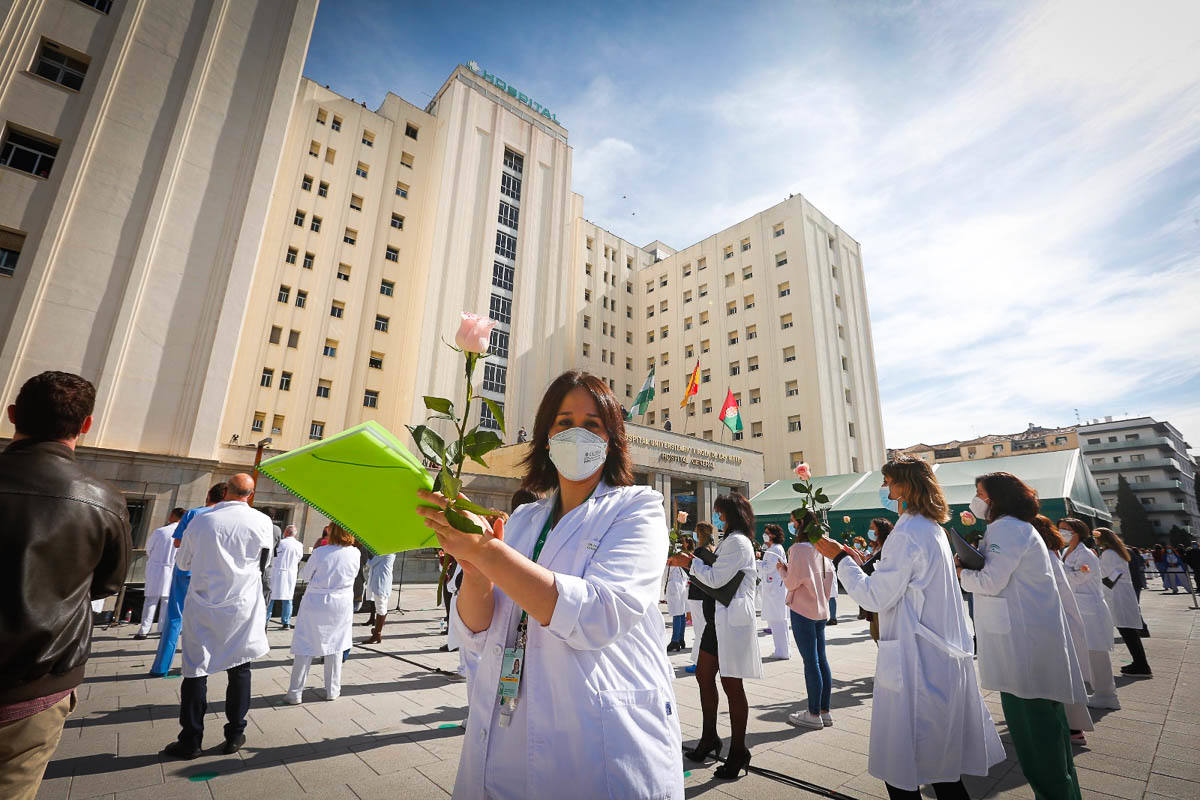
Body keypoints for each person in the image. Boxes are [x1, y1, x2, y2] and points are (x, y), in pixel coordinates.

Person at [417, 370, 683, 800]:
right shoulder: (524, 519)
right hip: (506, 730)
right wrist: (477, 571)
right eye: (563, 423)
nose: (577, 434)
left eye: (593, 424)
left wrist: (487, 552)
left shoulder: (639, 509)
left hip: (596, 743)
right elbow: (478, 630)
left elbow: (598, 614)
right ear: (544, 437)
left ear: (612, 439)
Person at [814, 457, 1004, 800]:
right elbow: (900, 585)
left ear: (906, 485)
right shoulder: (929, 528)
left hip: (917, 663)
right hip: (933, 655)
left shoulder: (908, 533)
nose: (885, 490)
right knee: (942, 772)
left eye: (889, 483)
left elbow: (875, 597)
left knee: (903, 770)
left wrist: (839, 559)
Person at [0, 371, 132, 800]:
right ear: (86, 425)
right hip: (35, 685)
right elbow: (109, 582)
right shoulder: (103, 499)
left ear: (13, 414)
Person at [958, 472, 1086, 800]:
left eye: (981, 493)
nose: (977, 499)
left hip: (1023, 656)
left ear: (997, 498)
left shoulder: (1008, 529)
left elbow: (990, 582)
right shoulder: (1014, 529)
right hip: (1026, 649)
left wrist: (962, 572)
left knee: (1038, 747)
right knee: (1051, 743)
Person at [162, 473, 273, 759]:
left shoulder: (202, 520)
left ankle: (191, 739)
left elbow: (183, 562)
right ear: (249, 494)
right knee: (240, 668)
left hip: (204, 602)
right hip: (242, 605)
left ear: (226, 492)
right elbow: (265, 561)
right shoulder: (262, 521)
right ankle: (235, 733)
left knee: (195, 670)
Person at [669, 492, 763, 780]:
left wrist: (689, 563)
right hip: (717, 620)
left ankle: (738, 750)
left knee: (732, 684)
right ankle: (710, 736)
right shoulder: (730, 541)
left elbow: (714, 578)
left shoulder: (737, 542)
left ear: (732, 514)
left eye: (721, 513)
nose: (719, 519)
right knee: (704, 674)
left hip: (731, 620)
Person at [149, 482, 228, 677]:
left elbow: (177, 542)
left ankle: (161, 666)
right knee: (207, 620)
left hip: (186, 571)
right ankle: (202, 665)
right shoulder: (226, 517)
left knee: (175, 618)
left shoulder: (193, 514)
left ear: (209, 495)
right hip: (211, 574)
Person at [1030, 516, 1094, 744]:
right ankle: (1073, 727)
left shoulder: (1043, 554)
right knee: (1064, 676)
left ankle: (1072, 729)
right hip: (1058, 618)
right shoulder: (1052, 552)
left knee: (1060, 677)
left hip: (1054, 620)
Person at [288, 524, 361, 702]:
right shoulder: (355, 553)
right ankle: (332, 691)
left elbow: (305, 575)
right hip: (341, 602)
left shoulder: (320, 552)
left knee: (305, 645)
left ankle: (295, 693)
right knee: (336, 646)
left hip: (317, 601)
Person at [777, 510, 834, 729]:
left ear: (800, 523)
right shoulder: (821, 546)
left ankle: (812, 713)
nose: (791, 524)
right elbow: (828, 577)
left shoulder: (799, 548)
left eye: (792, 521)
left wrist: (783, 570)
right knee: (821, 659)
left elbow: (792, 583)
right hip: (820, 608)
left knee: (811, 661)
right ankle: (824, 710)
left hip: (803, 608)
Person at [1058, 518, 1120, 710]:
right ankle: (1097, 690)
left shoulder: (1087, 555)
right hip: (1078, 608)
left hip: (1091, 609)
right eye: (1060, 529)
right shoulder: (1064, 552)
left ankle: (1108, 695)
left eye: (1066, 529)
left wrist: (1058, 569)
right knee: (1085, 652)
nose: (1062, 532)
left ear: (1077, 532)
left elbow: (1079, 577)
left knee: (1097, 652)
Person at [1094, 527, 1151, 676]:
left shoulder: (1108, 553)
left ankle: (1141, 665)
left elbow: (1113, 576)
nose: (1095, 540)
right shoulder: (1116, 552)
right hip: (1122, 594)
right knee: (1129, 631)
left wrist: (1097, 584)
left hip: (1117, 595)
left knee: (1127, 632)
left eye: (1096, 537)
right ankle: (1140, 663)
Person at [135, 508, 184, 639]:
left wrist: (155, 559)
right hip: (172, 568)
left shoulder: (160, 531)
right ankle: (162, 629)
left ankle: (144, 630)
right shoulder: (183, 534)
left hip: (156, 568)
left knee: (151, 599)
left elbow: (149, 549)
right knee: (166, 600)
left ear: (173, 516)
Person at [685, 522, 716, 674]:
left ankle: (698, 661)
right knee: (705, 629)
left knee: (700, 631)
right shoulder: (713, 549)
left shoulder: (700, 551)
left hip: (697, 595)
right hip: (707, 595)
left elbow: (693, 572)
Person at [759, 524, 790, 659]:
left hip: (775, 589)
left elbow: (768, 568)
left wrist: (754, 562)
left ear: (773, 535)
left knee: (778, 621)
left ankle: (781, 652)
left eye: (767, 532)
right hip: (774, 588)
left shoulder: (775, 549)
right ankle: (783, 650)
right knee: (779, 622)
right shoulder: (773, 549)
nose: (764, 535)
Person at [268, 524, 303, 629]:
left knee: (270, 598)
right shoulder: (299, 545)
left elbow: (273, 556)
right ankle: (286, 622)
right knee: (288, 598)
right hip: (290, 573)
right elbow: (299, 558)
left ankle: (265, 619)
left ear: (286, 532)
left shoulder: (280, 544)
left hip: (277, 572)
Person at [362, 551, 396, 644]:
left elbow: (370, 563)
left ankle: (377, 634)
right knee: (380, 608)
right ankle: (377, 632)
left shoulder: (385, 553)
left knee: (381, 608)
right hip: (381, 582)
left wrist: (362, 551)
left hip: (381, 583)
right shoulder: (387, 552)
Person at [665, 553, 689, 652]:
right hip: (681, 588)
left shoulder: (672, 566)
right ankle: (680, 639)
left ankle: (675, 641)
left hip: (675, 589)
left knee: (677, 615)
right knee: (681, 615)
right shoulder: (680, 568)